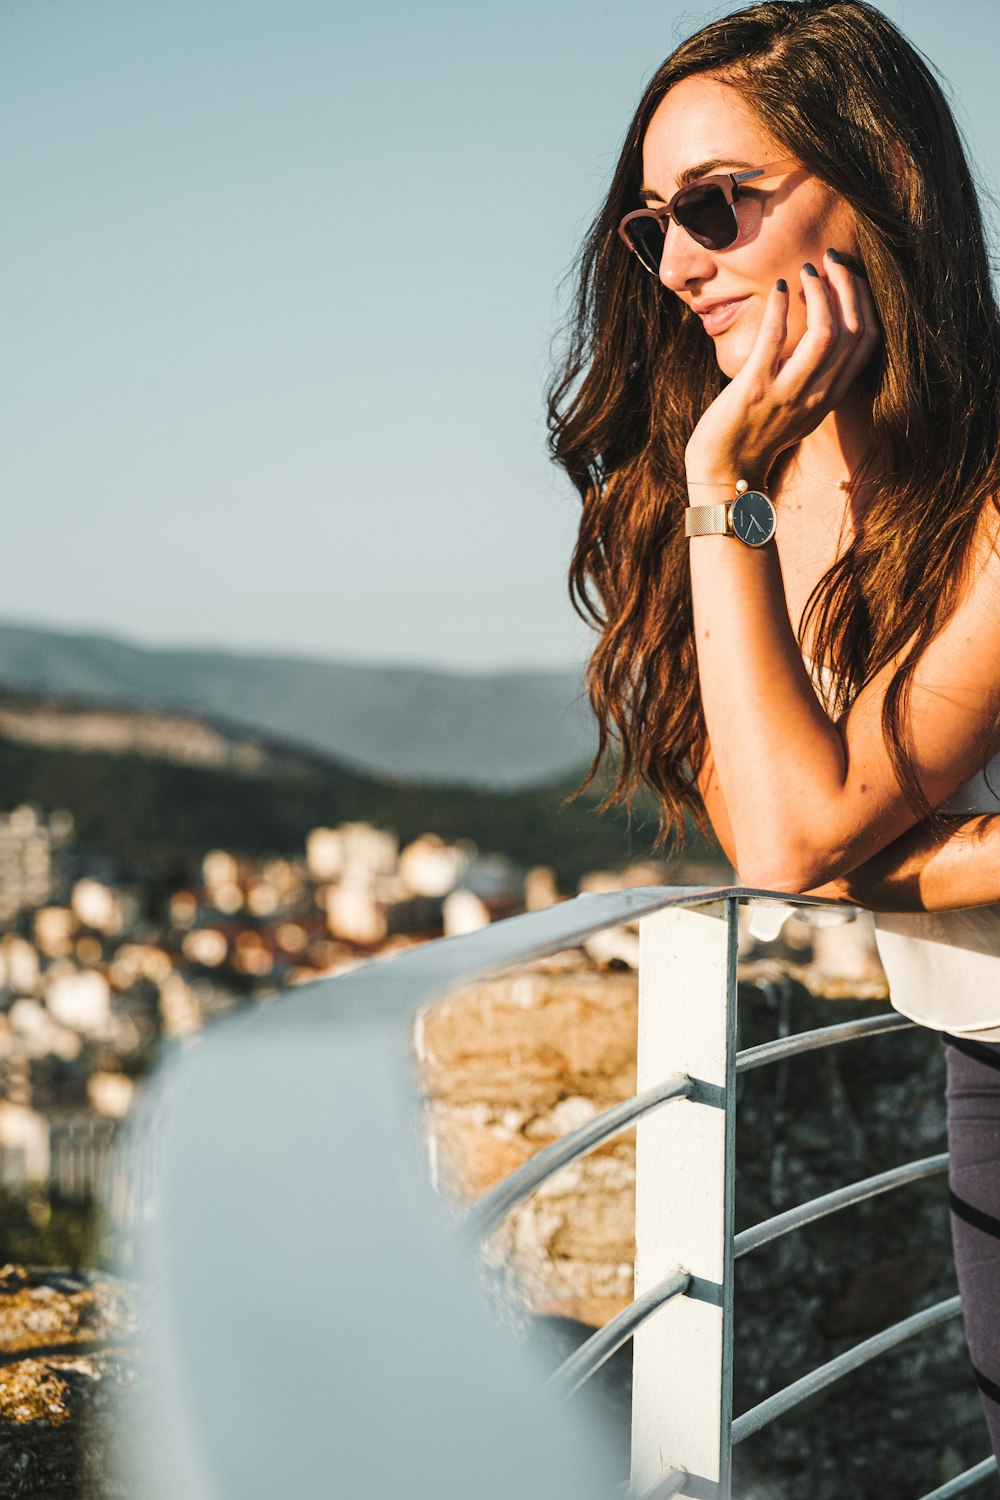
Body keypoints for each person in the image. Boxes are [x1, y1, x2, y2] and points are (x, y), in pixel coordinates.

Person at [547, 0, 1000, 1465]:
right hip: (979, 1053)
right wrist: (721, 482)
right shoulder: (739, 477)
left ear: (882, 173)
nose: (678, 264)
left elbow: (807, 837)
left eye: (717, 208)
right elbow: (779, 834)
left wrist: (719, 486)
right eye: (651, 228)